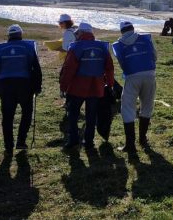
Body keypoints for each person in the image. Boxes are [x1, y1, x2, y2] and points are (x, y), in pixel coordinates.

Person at [59, 22, 115, 150]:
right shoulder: (102, 47)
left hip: (77, 87)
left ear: (82, 33)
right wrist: (110, 84)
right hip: (96, 87)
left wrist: (63, 87)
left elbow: (68, 69)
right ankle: (89, 141)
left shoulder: (75, 47)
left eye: (77, 33)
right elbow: (109, 68)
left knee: (73, 114)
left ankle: (73, 139)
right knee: (91, 115)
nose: (76, 35)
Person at [0, 25, 43, 153]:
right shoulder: (29, 47)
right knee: (27, 113)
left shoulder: (0, 49)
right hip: (25, 86)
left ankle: (8, 146)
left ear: (8, 36)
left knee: (7, 117)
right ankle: (21, 141)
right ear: (21, 35)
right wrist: (37, 87)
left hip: (6, 87)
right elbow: (37, 69)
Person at [111, 21, 157, 155]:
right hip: (149, 75)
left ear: (121, 31)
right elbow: (154, 56)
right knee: (147, 106)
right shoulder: (146, 38)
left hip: (132, 77)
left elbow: (121, 62)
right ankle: (143, 139)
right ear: (132, 28)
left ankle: (130, 144)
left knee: (127, 108)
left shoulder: (118, 45)